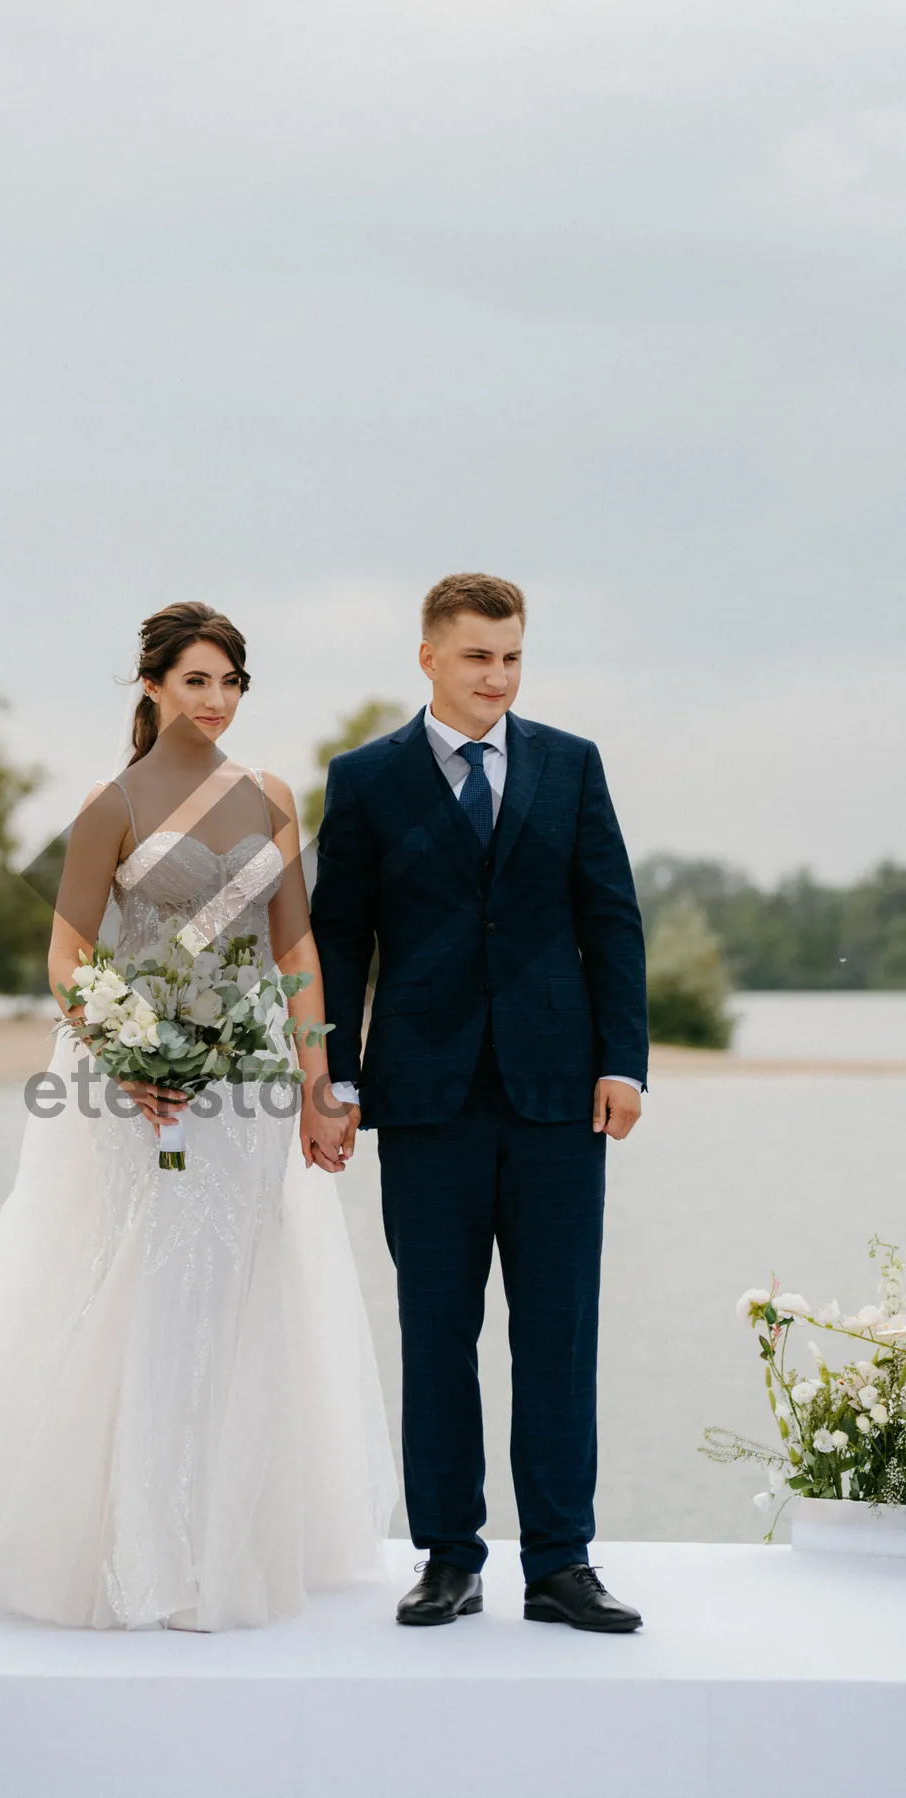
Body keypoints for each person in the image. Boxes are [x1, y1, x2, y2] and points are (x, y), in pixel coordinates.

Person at [0, 601, 395, 1631]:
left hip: (249, 1091)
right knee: (155, 1284)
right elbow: (65, 956)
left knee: (236, 1290)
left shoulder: (268, 797)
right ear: (152, 686)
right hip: (140, 1093)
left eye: (231, 683)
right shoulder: (111, 804)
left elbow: (297, 951)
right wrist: (126, 1056)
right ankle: (141, 1555)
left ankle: (220, 1541)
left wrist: (319, 1082)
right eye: (196, 681)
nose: (215, 701)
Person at [311, 572, 648, 1632]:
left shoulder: (570, 764)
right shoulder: (364, 780)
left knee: (558, 1332)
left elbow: (613, 919)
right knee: (436, 1331)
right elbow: (338, 937)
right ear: (428, 657)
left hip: (558, 1097)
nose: (494, 676)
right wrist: (337, 1078)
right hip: (424, 1101)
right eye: (474, 657)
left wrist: (624, 1061)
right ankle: (448, 1557)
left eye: (508, 657)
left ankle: (559, 1561)